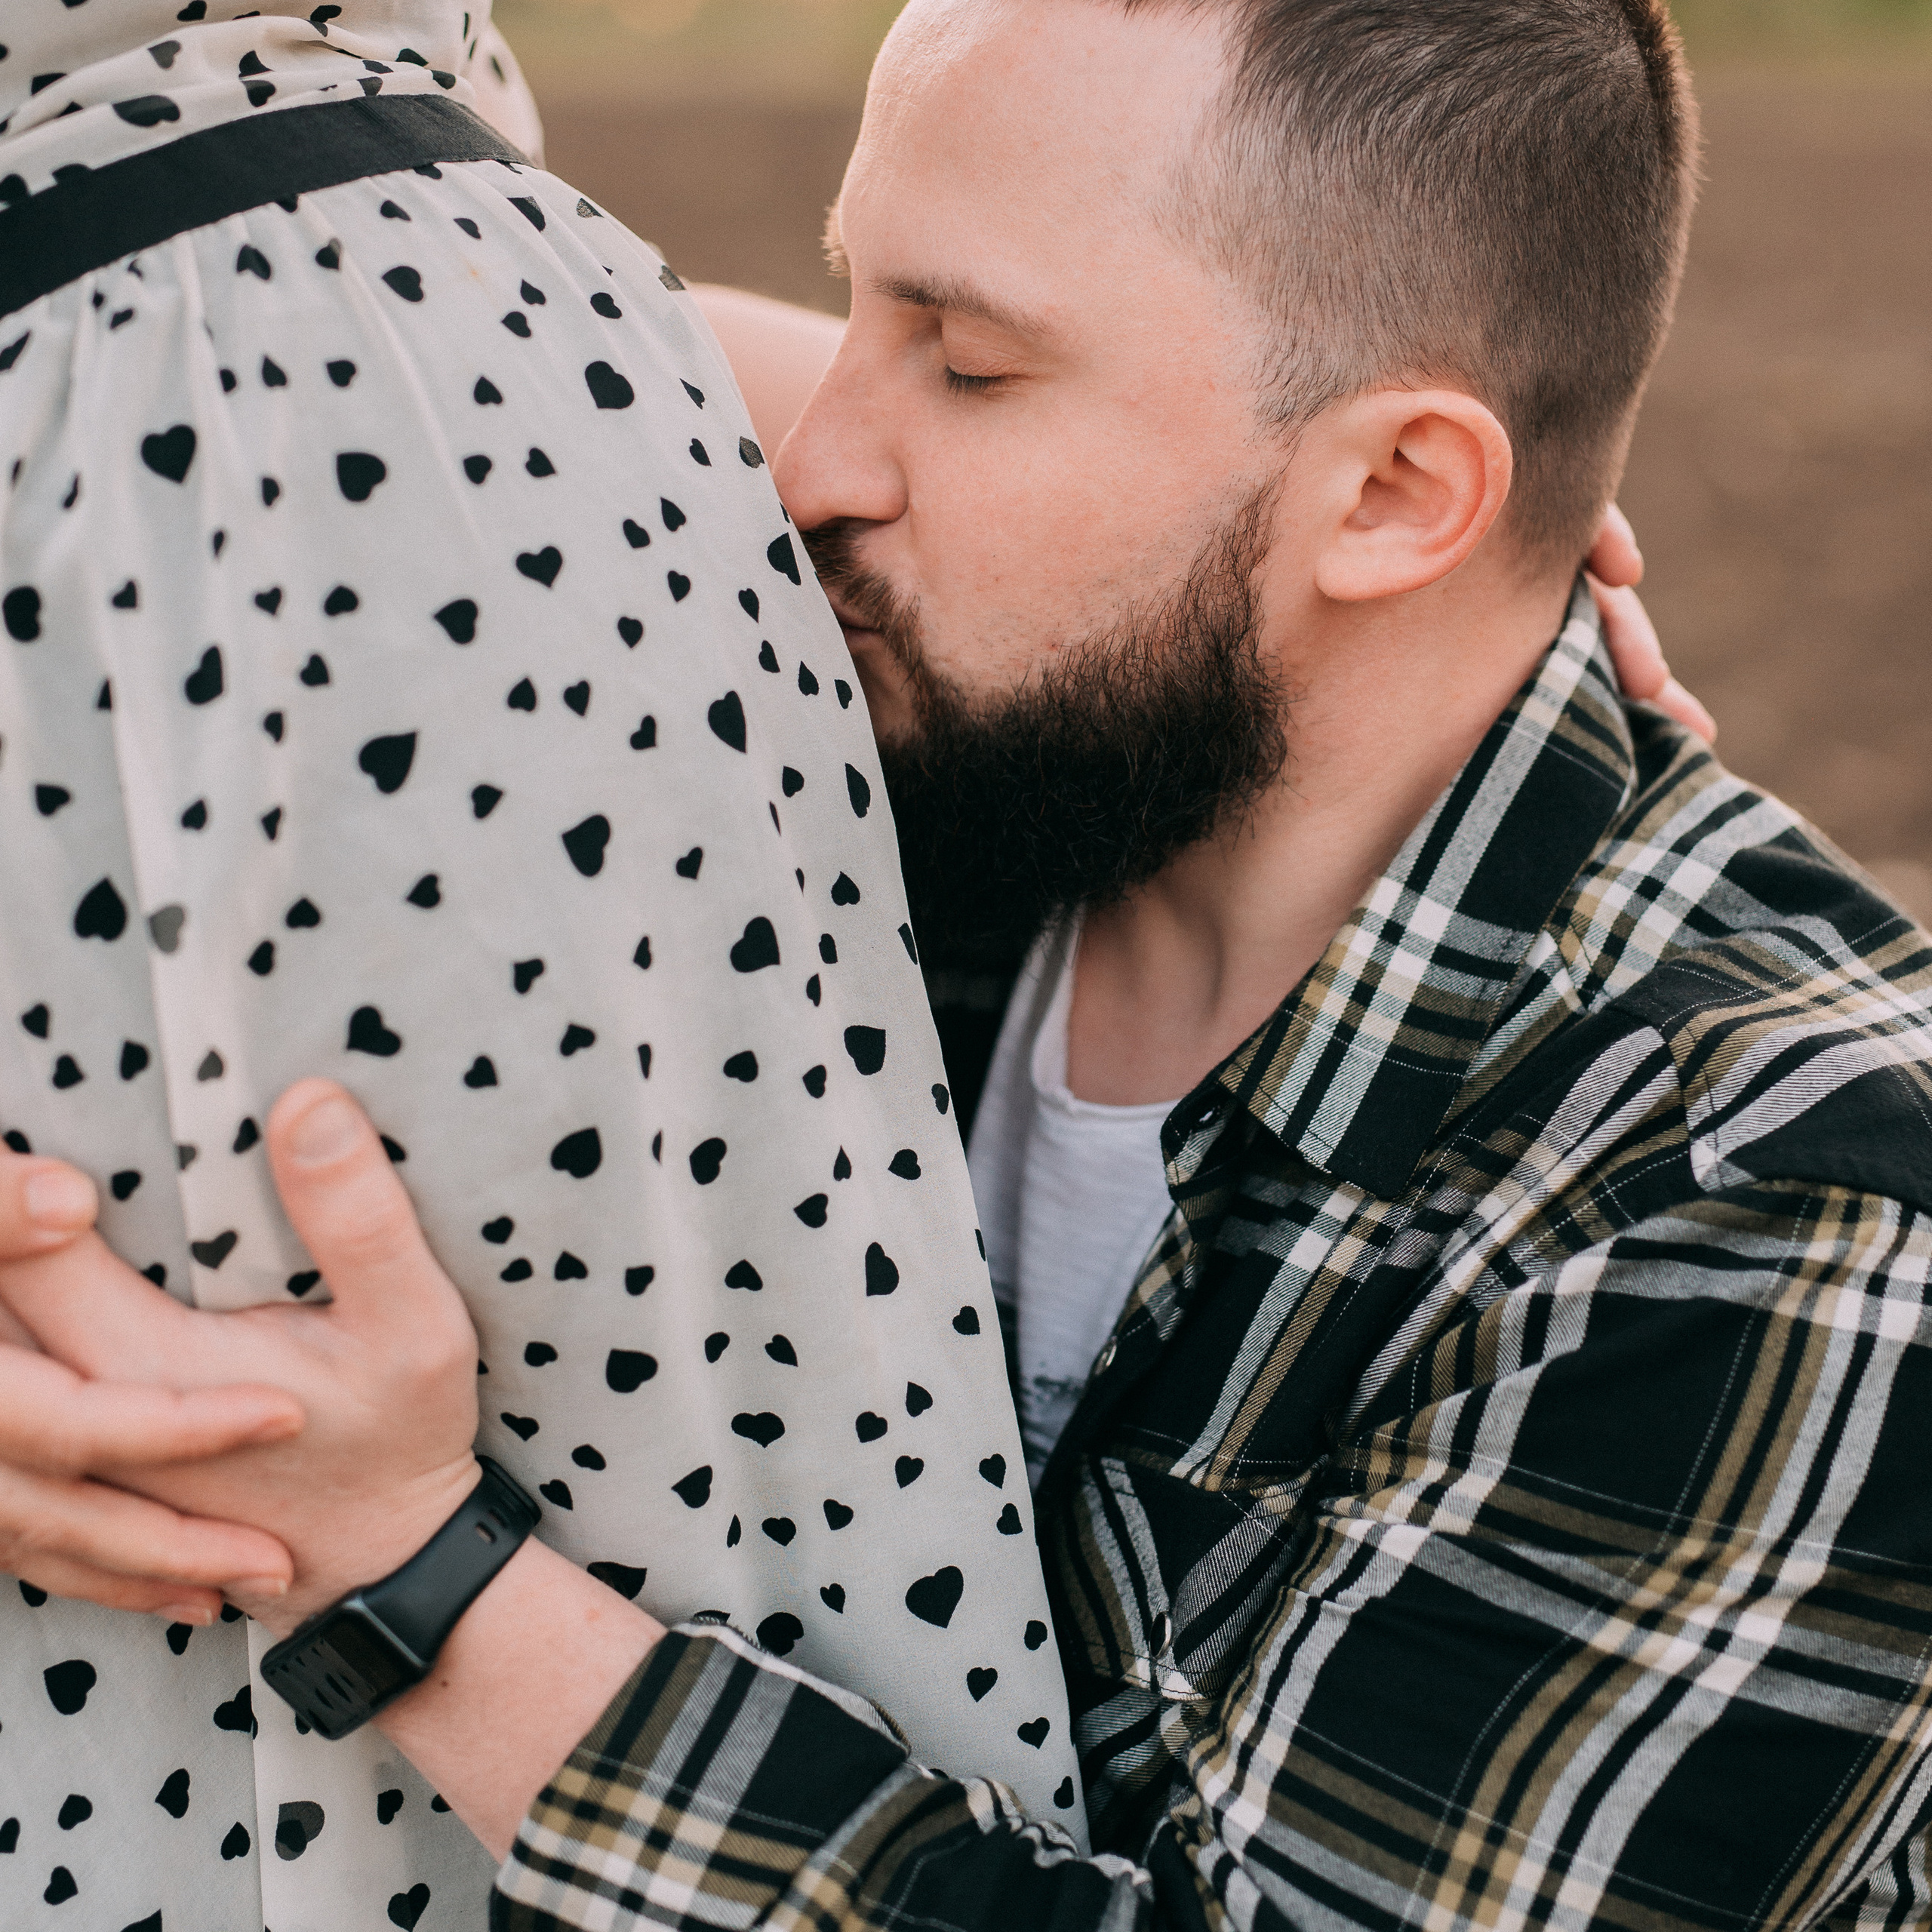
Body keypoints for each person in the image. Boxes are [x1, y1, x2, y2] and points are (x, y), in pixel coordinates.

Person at [11, 2, 1898, 1931]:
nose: (810, 461)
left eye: (969, 368)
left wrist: (409, 1572)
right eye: (855, 317)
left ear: (1398, 496)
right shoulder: (871, 761)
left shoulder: (1775, 1202)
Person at [0, 5, 1081, 1927]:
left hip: (571, 547)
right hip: (101, 663)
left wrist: (1193, 440)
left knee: (694, 1638)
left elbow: (303, 153)